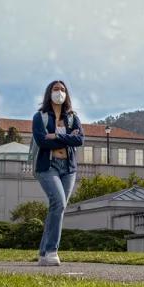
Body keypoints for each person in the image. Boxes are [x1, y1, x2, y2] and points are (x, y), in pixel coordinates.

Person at [31, 80, 85, 266]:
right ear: (49, 93)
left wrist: (57, 136)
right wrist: (67, 139)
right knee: (59, 203)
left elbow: (79, 140)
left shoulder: (72, 117)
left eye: (62, 89)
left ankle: (43, 253)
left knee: (57, 208)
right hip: (48, 166)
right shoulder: (40, 117)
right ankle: (52, 251)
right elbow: (42, 141)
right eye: (56, 89)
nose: (59, 92)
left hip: (68, 168)